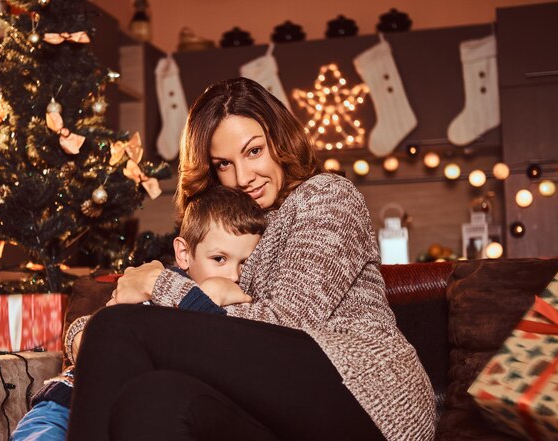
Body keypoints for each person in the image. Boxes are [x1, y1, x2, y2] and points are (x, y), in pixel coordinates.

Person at [67, 78, 436, 441]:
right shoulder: (228, 230)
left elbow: (286, 324)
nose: (243, 177)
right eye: (223, 164)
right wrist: (83, 333)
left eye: (254, 151)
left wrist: (156, 285)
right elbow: (188, 320)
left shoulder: (327, 196)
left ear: (280, 140)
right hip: (283, 412)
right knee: (154, 400)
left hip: (370, 393)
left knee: (119, 328)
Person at [11, 186, 267, 441]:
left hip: (131, 417)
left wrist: (213, 297)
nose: (234, 275)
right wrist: (206, 294)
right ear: (184, 254)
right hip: (66, 401)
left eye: (244, 263)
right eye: (219, 259)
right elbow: (94, 328)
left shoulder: (239, 306)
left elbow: (222, 359)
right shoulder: (151, 285)